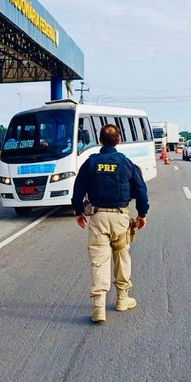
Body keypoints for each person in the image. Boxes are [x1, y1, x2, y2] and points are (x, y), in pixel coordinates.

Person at [71, 123, 149, 323]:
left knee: (99, 260)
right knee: (122, 257)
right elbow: (140, 189)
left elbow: (78, 189)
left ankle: (98, 306)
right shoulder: (125, 163)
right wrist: (142, 214)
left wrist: (78, 211)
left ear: (99, 140)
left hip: (98, 218)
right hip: (121, 218)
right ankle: (122, 299)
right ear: (119, 141)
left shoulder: (90, 163)